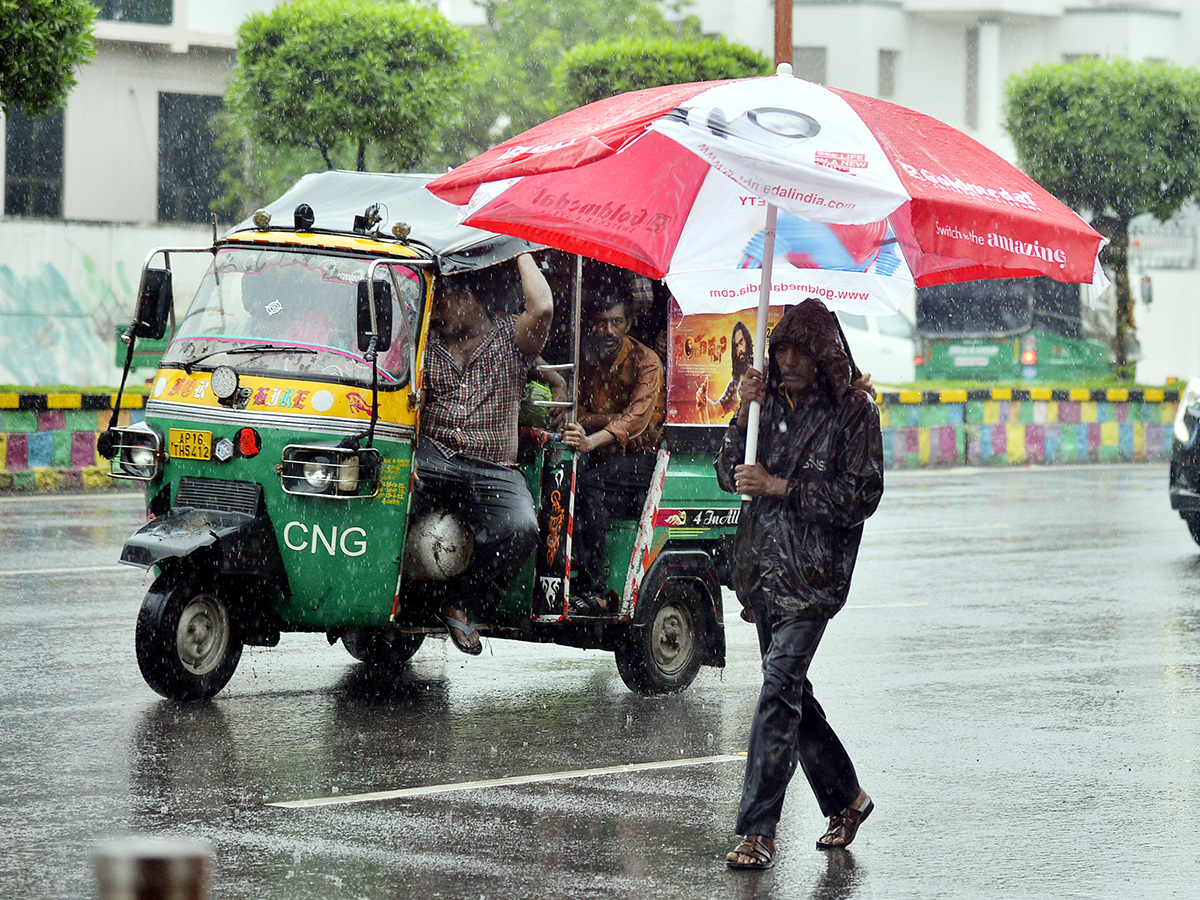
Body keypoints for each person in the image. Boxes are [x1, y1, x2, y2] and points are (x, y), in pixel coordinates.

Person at [715, 298, 884, 869]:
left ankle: (759, 829)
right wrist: (744, 415)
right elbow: (727, 476)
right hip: (764, 574)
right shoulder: (769, 405)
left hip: (813, 579)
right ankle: (846, 798)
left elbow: (861, 496)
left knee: (777, 691)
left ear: (824, 354)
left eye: (798, 350)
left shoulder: (854, 411)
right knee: (789, 694)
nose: (787, 360)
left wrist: (780, 486)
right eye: (780, 349)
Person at [414, 252, 553, 654]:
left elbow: (542, 306)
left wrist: (517, 246)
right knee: (384, 499)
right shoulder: (426, 339)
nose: (436, 307)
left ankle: (462, 602)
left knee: (521, 528)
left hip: (493, 467)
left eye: (445, 298)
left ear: (473, 300)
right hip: (433, 455)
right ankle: (400, 601)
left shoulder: (513, 337)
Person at [561, 290, 665, 614]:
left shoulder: (647, 361)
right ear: (591, 325)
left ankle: (597, 592)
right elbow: (576, 412)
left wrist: (593, 437)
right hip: (609, 455)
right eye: (601, 323)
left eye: (616, 322)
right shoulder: (588, 360)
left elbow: (636, 420)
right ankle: (568, 563)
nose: (608, 331)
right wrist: (603, 421)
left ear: (628, 323)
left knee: (590, 486)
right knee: (560, 475)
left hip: (646, 457)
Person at [697, 320, 753, 422]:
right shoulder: (735, 383)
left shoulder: (764, 365)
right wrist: (704, 401)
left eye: (741, 342)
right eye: (736, 346)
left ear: (747, 341)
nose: (740, 349)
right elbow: (716, 411)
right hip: (743, 433)